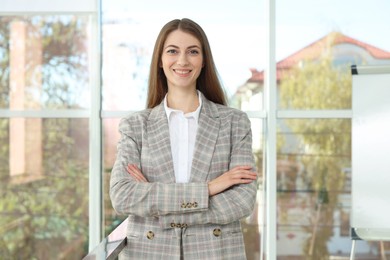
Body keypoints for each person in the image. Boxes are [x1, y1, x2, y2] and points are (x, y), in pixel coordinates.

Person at [110, 18, 258, 260]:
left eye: (192, 51)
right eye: (172, 51)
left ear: (203, 61)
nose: (182, 60)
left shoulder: (234, 122)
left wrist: (158, 204)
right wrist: (208, 190)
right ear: (160, 60)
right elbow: (122, 195)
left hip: (215, 253)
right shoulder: (135, 126)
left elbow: (242, 201)